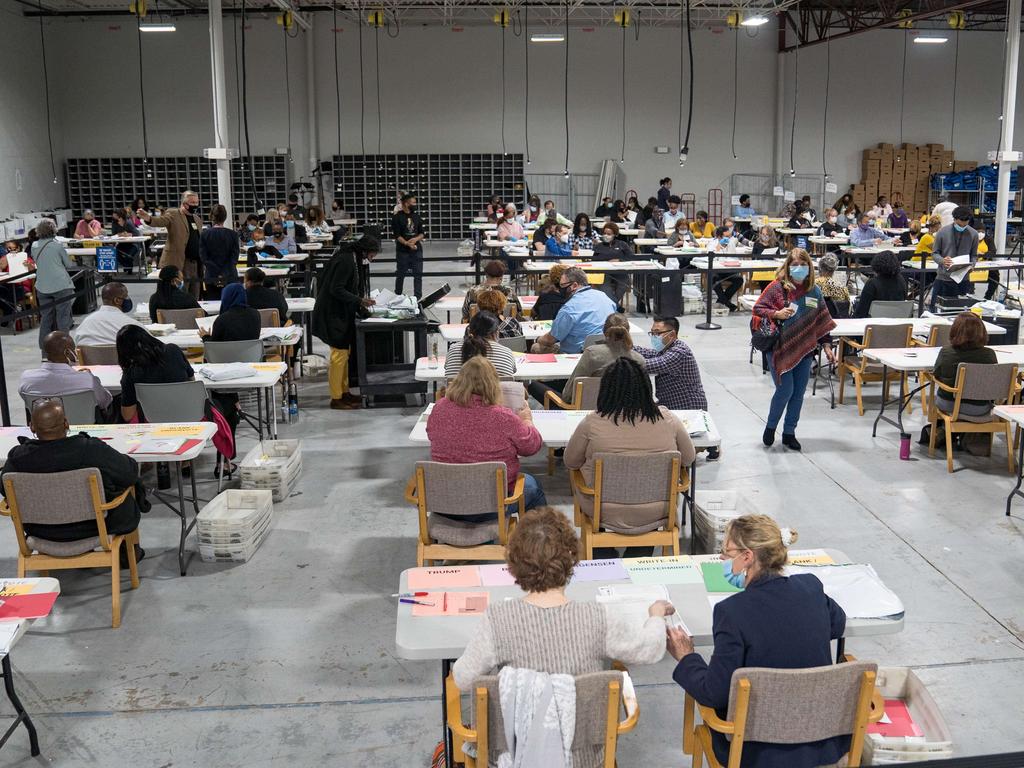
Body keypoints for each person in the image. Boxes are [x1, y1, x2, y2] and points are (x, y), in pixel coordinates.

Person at [451, 506, 671, 768]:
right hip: (583, 758)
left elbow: (463, 679)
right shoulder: (598, 617)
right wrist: (656, 616)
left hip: (515, 753)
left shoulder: (497, 619)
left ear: (515, 564)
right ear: (571, 559)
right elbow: (650, 650)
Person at [668, 515, 847, 768]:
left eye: (726, 552)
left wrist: (686, 657)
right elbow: (837, 624)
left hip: (755, 752)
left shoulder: (731, 612)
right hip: (823, 742)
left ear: (748, 557)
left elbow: (714, 694)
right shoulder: (810, 586)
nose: (721, 559)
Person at [564, 358, 696, 556]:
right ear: (646, 387)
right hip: (658, 509)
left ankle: (604, 554)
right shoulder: (668, 420)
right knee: (650, 493)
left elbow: (571, 461)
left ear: (606, 389)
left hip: (603, 509)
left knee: (585, 475)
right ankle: (639, 553)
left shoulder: (592, 422)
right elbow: (688, 458)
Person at [1, 399, 146, 562]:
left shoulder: (18, 458)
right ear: (66, 424)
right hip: (95, 527)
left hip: (42, 531)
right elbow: (128, 472)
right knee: (124, 488)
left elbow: (5, 488)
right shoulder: (90, 449)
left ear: (32, 426)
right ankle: (127, 556)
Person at [427, 356, 546, 515]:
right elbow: (531, 447)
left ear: (459, 379)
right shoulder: (504, 417)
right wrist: (526, 420)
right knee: (534, 487)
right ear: (493, 383)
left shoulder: (439, 409)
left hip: (446, 504)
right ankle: (536, 538)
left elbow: (431, 433)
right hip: (493, 506)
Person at [752, 249, 836, 450]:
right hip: (780, 347)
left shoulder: (813, 290)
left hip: (805, 349)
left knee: (798, 393)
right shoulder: (777, 288)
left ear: (809, 267)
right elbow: (758, 308)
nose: (799, 268)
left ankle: (789, 432)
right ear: (788, 266)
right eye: (795, 264)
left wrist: (826, 345)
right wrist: (777, 313)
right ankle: (771, 427)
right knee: (785, 390)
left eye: (803, 264)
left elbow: (821, 320)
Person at [312, 233, 381, 410]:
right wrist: (359, 301)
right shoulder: (345, 261)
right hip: (332, 313)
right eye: (372, 255)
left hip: (341, 312)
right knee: (339, 355)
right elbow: (336, 289)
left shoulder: (352, 259)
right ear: (365, 251)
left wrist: (361, 306)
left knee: (344, 353)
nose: (372, 259)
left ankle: (344, 392)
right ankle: (336, 398)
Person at [19, 331, 113, 415]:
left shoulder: (27, 378)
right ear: (67, 353)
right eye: (73, 350)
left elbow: (27, 403)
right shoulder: (87, 380)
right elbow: (105, 402)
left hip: (45, 428)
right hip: (84, 428)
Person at [116, 325, 194, 423]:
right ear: (147, 337)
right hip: (189, 415)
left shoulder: (131, 373)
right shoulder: (173, 350)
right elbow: (192, 381)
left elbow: (128, 416)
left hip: (152, 422)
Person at [561, 313, 644, 401]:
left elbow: (568, 394)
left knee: (546, 387)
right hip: (625, 410)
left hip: (590, 409)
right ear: (627, 331)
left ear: (604, 331)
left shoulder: (592, 354)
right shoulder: (639, 359)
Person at [137, 190, 204, 297]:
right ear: (184, 203)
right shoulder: (173, 213)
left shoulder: (197, 219)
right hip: (179, 262)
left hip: (195, 264)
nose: (195, 205)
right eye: (192, 203)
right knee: (180, 295)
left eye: (197, 202)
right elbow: (160, 221)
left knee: (194, 295)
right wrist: (148, 218)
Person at [535, 267, 616, 354]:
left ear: (574, 285)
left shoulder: (569, 308)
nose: (559, 289)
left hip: (576, 353)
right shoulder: (604, 297)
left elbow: (550, 339)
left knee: (536, 347)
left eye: (562, 285)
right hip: (606, 348)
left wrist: (538, 339)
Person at [932, 312, 998, 418]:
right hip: (979, 408)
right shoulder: (989, 355)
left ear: (955, 330)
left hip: (949, 404)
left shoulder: (946, 352)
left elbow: (937, 373)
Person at [636, 315, 709, 411]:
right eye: (652, 333)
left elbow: (649, 365)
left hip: (689, 408)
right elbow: (647, 353)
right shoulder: (665, 349)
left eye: (657, 333)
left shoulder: (679, 352)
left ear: (672, 334)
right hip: (670, 404)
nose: (654, 337)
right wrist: (626, 346)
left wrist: (622, 360)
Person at [31, 219, 76, 349]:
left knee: (46, 318)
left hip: (42, 286)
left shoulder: (34, 245)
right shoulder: (57, 245)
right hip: (61, 285)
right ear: (53, 230)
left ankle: (44, 348)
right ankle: (64, 347)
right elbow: (68, 264)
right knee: (63, 318)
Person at [930, 206, 979, 310]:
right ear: (954, 219)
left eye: (965, 225)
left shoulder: (973, 234)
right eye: (960, 224)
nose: (962, 227)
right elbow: (934, 253)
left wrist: (972, 264)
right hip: (944, 278)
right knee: (937, 309)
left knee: (960, 311)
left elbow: (974, 255)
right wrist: (942, 261)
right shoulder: (942, 232)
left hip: (963, 278)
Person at [444, 311, 516, 378]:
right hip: (495, 391)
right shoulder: (506, 353)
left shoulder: (453, 350)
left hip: (459, 391)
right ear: (496, 333)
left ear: (469, 330)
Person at [72, 282, 142, 346]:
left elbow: (76, 343)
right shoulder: (132, 325)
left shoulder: (84, 324)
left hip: (90, 360)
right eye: (126, 295)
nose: (128, 298)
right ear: (117, 300)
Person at [200, 204, 240, 300]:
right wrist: (223, 273)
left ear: (211, 216)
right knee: (230, 304)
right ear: (225, 217)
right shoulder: (233, 235)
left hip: (211, 275)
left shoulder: (204, 234)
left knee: (213, 305)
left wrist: (216, 272)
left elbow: (204, 257)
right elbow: (234, 258)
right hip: (230, 275)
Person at [853, 250, 908, 318]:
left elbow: (861, 313)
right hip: (897, 322)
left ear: (876, 266)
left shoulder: (872, 284)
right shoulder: (901, 280)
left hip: (873, 324)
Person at [593, 221, 634, 307]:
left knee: (624, 282)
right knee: (605, 286)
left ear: (615, 234)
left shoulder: (622, 244)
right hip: (604, 272)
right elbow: (594, 260)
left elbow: (631, 257)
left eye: (609, 234)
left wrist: (620, 260)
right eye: (604, 233)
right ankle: (616, 306)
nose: (606, 235)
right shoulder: (599, 246)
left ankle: (612, 305)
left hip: (619, 271)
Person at [392, 193, 425, 297]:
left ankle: (418, 298)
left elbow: (422, 233)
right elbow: (397, 235)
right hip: (402, 251)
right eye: (413, 202)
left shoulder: (417, 216)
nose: (415, 204)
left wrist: (415, 239)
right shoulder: (397, 217)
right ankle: (397, 296)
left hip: (417, 250)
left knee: (418, 275)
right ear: (406, 203)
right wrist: (407, 243)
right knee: (400, 275)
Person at [705, 226, 744, 311]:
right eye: (725, 236)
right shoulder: (712, 243)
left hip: (728, 269)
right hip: (716, 270)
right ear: (719, 236)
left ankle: (721, 301)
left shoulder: (731, 243)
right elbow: (711, 259)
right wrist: (719, 247)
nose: (728, 238)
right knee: (713, 279)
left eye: (729, 236)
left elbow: (734, 257)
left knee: (739, 279)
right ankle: (728, 304)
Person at [110, 208, 141, 273]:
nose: (113, 216)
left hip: (133, 244)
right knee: (114, 253)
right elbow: (113, 234)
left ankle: (128, 268)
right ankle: (127, 266)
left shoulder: (128, 222)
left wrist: (129, 234)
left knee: (128, 256)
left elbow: (137, 233)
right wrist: (119, 234)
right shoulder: (114, 223)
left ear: (120, 215)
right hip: (122, 243)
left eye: (115, 214)